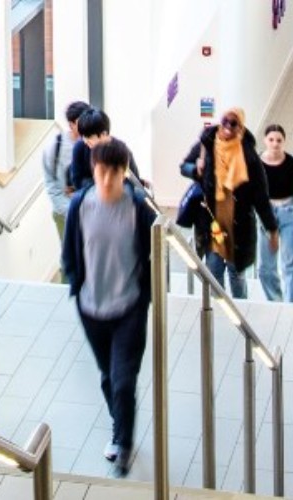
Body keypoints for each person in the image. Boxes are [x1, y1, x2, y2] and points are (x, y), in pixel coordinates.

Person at [62, 138, 156, 477]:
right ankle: (120, 422)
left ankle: (124, 444)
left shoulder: (139, 209)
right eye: (101, 171)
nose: (106, 179)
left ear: (123, 172)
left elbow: (152, 255)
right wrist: (75, 284)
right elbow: (70, 252)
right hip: (91, 308)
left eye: (114, 173)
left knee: (123, 380)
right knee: (107, 375)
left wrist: (146, 299)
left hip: (129, 308)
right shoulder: (80, 206)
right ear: (93, 169)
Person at [180, 108, 279, 299]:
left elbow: (260, 197)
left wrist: (271, 229)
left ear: (240, 128)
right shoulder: (207, 145)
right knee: (214, 272)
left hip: (238, 226)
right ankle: (216, 314)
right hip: (212, 223)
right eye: (224, 121)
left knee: (236, 274)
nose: (227, 127)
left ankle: (240, 313)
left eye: (233, 124)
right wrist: (196, 169)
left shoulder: (248, 155)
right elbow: (183, 166)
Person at [42, 101, 90, 261]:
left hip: (93, 211)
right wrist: (71, 211)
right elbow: (51, 186)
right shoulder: (54, 148)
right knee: (71, 258)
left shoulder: (95, 143)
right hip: (65, 214)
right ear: (71, 124)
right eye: (81, 122)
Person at [257, 124, 293, 302]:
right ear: (265, 141)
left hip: (288, 212)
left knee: (290, 262)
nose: (275, 144)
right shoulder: (257, 164)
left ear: (284, 142)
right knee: (266, 266)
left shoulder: (290, 162)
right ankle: (275, 301)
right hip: (266, 214)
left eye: (279, 140)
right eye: (271, 140)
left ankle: (290, 303)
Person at [69, 107, 143, 191]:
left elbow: (134, 182)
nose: (85, 141)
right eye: (83, 136)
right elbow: (77, 180)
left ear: (104, 134)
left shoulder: (121, 150)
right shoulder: (80, 147)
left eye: (89, 136)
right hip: (89, 196)